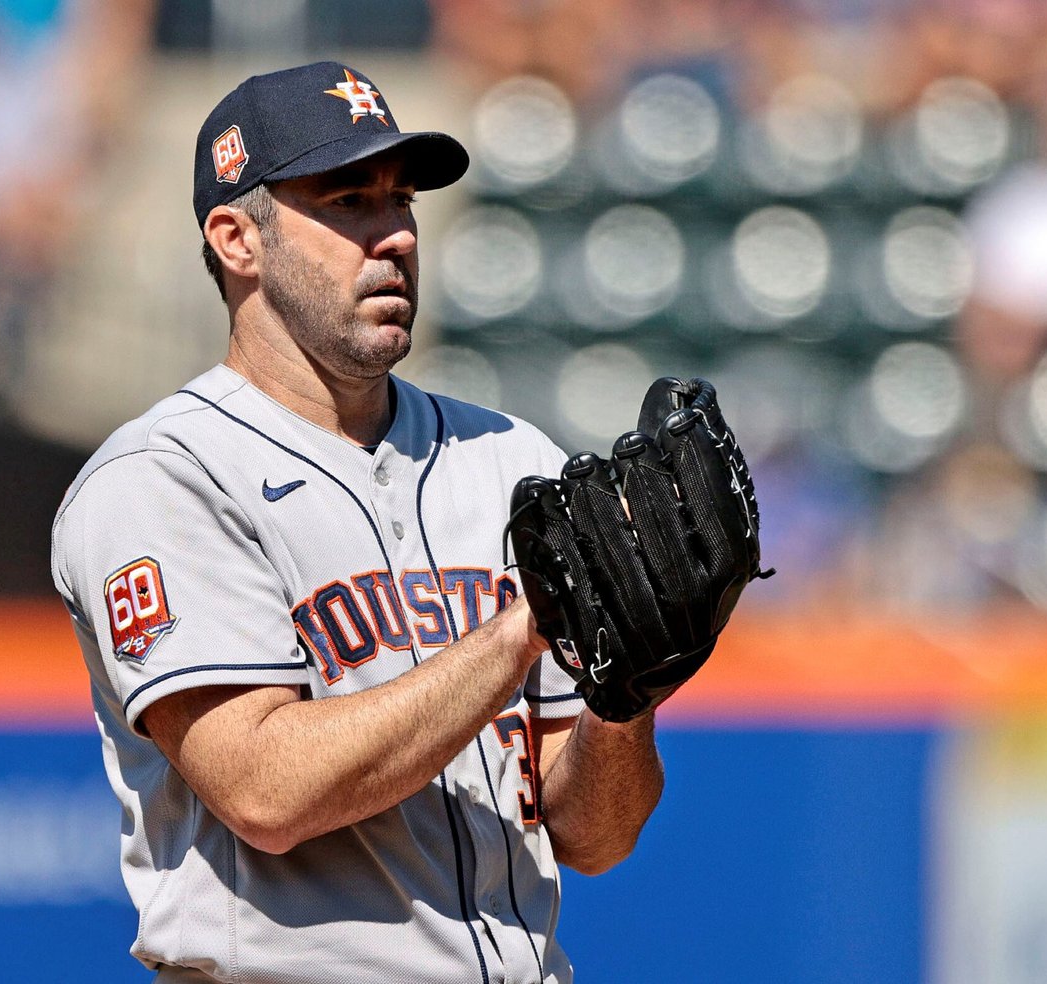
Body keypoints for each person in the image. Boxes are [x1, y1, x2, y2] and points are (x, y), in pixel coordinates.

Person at [50, 62, 668, 984]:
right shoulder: (164, 479)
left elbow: (591, 837)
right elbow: (264, 789)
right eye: (348, 201)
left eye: (402, 200)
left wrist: (628, 701)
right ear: (236, 240)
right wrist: (525, 625)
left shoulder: (512, 460)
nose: (395, 237)